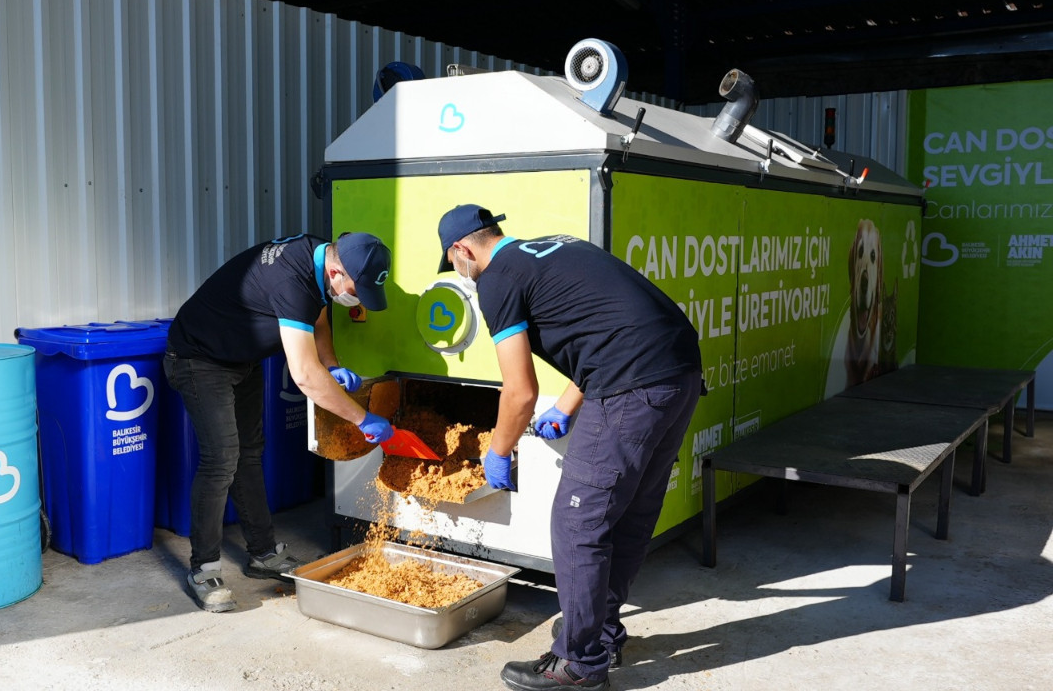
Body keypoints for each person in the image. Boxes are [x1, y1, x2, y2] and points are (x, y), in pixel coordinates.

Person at [436, 204, 704, 690]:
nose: (458, 271)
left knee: (577, 523)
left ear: (462, 249)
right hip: (679, 373)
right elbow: (604, 328)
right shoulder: (554, 246)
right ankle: (599, 635)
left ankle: (579, 665)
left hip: (632, 385)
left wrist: (499, 449)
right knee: (629, 513)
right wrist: (567, 405)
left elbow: (519, 392)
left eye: (453, 263)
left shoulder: (496, 280)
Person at [164, 232, 395, 612]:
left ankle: (263, 554)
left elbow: (318, 314)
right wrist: (361, 417)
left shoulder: (319, 258)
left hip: (240, 357)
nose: (357, 298)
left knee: (250, 453)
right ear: (336, 271)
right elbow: (304, 376)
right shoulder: (293, 279)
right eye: (357, 288)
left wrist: (332, 364)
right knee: (222, 458)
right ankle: (203, 568)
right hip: (198, 357)